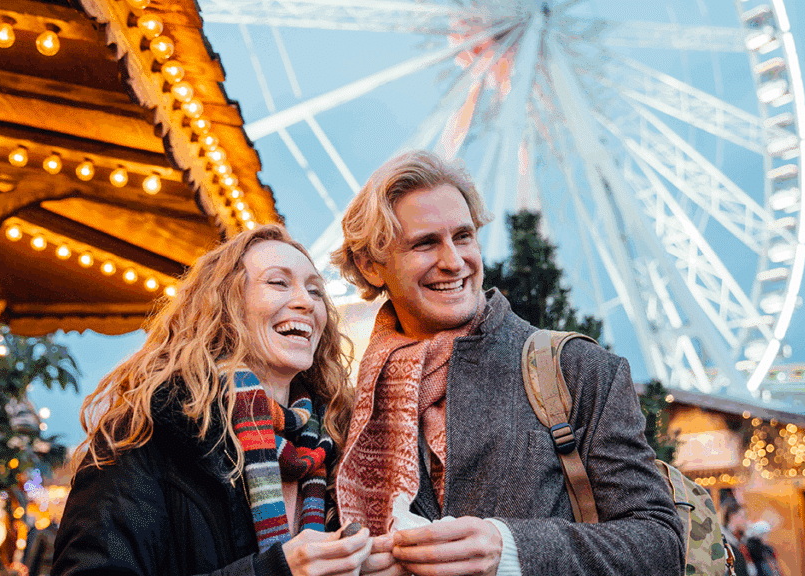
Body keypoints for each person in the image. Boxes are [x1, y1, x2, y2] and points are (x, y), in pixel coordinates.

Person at [331, 150, 684, 575]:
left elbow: (660, 544)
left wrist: (509, 548)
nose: (454, 260)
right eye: (425, 243)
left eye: (463, 237)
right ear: (372, 266)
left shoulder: (574, 369)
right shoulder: (354, 410)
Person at [52, 224, 371, 576]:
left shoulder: (344, 438)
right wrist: (274, 571)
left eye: (315, 290)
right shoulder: (150, 428)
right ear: (224, 305)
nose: (306, 302)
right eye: (279, 283)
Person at [720, 500, 750, 576]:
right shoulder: (724, 544)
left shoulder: (739, 543)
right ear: (732, 516)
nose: (746, 522)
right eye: (743, 517)